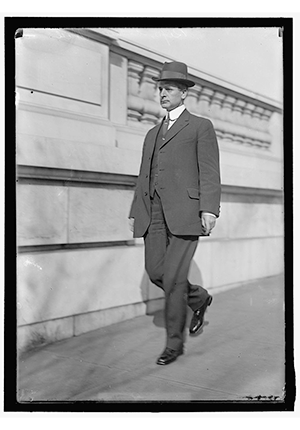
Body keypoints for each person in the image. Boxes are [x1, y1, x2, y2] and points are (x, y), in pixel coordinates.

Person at [129, 61, 221, 365]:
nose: (162, 94)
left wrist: (209, 207)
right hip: (152, 212)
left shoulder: (200, 126)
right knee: (157, 272)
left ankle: (174, 344)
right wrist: (136, 210)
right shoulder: (152, 133)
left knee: (174, 280)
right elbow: (144, 175)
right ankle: (199, 298)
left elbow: (208, 171)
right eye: (160, 89)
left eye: (168, 89)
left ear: (183, 93)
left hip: (185, 213)